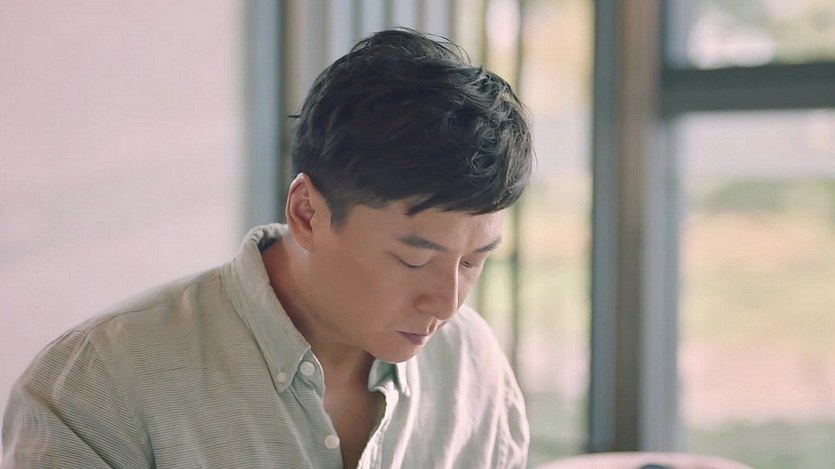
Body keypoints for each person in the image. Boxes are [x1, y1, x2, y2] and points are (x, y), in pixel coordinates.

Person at [2, 28, 532, 468]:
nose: (446, 303)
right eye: (413, 259)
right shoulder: (99, 386)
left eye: (473, 262)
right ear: (307, 213)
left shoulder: (471, 365)